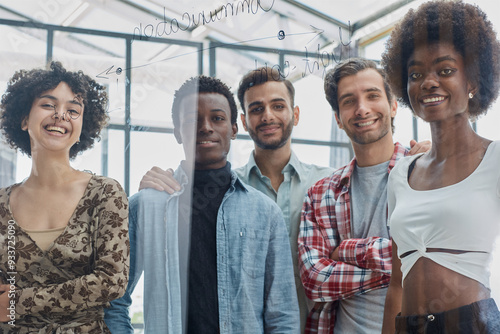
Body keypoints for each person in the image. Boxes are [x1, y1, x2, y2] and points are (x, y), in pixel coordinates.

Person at [104, 75, 299, 333]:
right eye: (192, 120)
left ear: (233, 128)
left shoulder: (264, 213)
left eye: (217, 118)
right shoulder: (144, 206)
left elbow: (282, 315)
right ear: (177, 132)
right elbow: (112, 302)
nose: (205, 127)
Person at [381, 1, 500, 333]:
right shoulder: (400, 175)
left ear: (473, 81)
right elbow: (396, 284)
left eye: (445, 70)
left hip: (472, 325)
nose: (428, 82)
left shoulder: (495, 160)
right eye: (416, 74)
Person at [298, 57, 429, 333]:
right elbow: (314, 279)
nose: (362, 109)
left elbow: (432, 255)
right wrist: (393, 269)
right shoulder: (320, 194)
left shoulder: (425, 169)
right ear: (338, 119)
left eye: (372, 96)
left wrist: (345, 251)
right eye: (348, 101)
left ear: (393, 105)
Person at [0, 61, 129, 333]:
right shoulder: (1, 203)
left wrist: (19, 301)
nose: (61, 115)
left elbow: (112, 281)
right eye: (48, 105)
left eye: (73, 110)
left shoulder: (105, 193)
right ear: (24, 119)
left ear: (83, 126)